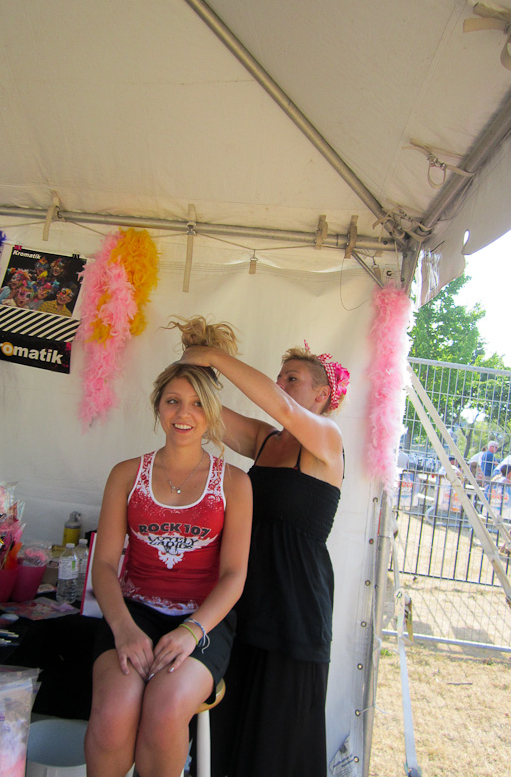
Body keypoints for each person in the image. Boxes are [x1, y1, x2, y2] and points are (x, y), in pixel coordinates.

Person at [179, 317, 349, 777]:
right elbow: (205, 412)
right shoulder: (267, 440)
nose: (279, 385)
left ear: (322, 395)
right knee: (229, 725)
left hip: (296, 609)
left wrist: (216, 356)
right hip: (246, 601)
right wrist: (195, 363)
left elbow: (283, 409)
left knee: (278, 740)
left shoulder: (328, 440)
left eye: (292, 378)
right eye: (279, 377)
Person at [84, 322, 253, 777]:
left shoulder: (235, 483)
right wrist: (123, 629)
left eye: (198, 403)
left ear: (212, 412)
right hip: (133, 612)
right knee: (114, 713)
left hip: (202, 621)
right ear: (158, 405)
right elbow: (104, 564)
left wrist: (191, 631)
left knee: (163, 711)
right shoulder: (126, 474)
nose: (184, 413)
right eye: (173, 400)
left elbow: (234, 575)